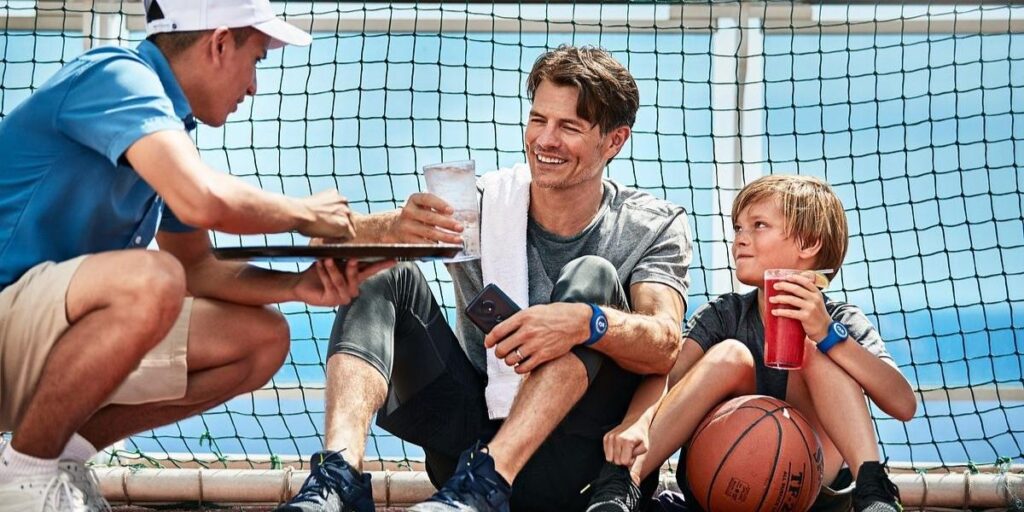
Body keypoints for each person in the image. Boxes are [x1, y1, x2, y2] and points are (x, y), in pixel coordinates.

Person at [0, 1, 394, 510]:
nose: (253, 85)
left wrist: (296, 286)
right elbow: (201, 199)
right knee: (151, 278)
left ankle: (57, 460)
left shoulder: (167, 129)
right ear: (220, 43)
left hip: (34, 345)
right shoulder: (117, 76)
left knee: (261, 338)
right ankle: (21, 478)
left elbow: (196, 269)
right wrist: (302, 213)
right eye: (256, 60)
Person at [274, 45, 693, 512]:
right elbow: (327, 251)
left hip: (579, 458)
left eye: (569, 127)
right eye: (539, 120)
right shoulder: (481, 206)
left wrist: (585, 323)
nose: (545, 140)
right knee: (385, 272)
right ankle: (340, 479)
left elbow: (665, 341)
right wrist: (391, 230)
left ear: (614, 141)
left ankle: (490, 482)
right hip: (468, 445)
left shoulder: (651, 224)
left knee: (591, 277)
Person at [590, 175, 917, 512]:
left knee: (818, 353)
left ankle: (874, 491)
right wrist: (635, 423)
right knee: (731, 355)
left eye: (758, 225)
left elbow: (903, 404)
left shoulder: (840, 319)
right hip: (724, 480)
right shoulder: (725, 314)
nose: (740, 240)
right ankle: (621, 481)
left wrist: (827, 335)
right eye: (737, 229)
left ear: (808, 243)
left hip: (812, 487)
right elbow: (666, 376)